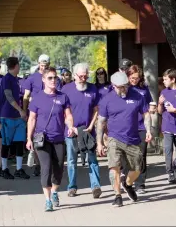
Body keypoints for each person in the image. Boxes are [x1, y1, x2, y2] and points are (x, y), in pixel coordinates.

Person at [97, 71, 152, 207]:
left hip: (133, 138)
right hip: (114, 137)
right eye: (120, 87)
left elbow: (146, 115)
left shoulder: (137, 96)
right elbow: (101, 122)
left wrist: (149, 130)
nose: (124, 89)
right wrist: (99, 142)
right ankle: (117, 195)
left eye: (125, 86)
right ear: (113, 85)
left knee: (138, 168)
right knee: (114, 167)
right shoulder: (106, 100)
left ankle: (127, 184)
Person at [26, 67, 74, 211]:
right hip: (42, 139)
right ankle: (47, 200)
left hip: (58, 138)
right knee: (46, 169)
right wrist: (29, 138)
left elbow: (68, 116)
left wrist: (70, 126)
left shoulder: (63, 97)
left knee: (58, 169)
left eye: (55, 78)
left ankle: (54, 191)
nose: (53, 80)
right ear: (44, 80)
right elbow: (32, 119)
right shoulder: (37, 98)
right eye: (50, 78)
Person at [61, 63, 102, 198]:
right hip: (71, 131)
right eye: (81, 76)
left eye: (86, 76)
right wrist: (70, 127)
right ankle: (72, 187)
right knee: (72, 160)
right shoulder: (66, 89)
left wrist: (91, 126)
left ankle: (95, 186)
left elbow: (96, 110)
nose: (84, 78)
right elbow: (63, 112)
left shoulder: (93, 89)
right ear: (74, 76)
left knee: (92, 159)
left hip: (88, 130)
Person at [22, 54, 62, 177]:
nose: (44, 66)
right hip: (36, 111)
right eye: (42, 64)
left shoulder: (55, 77)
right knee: (37, 138)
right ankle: (39, 164)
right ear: (38, 63)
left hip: (52, 111)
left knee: (49, 139)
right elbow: (26, 96)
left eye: (46, 64)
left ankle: (45, 165)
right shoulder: (32, 78)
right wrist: (25, 112)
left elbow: (60, 94)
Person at [120, 65, 153, 194]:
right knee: (126, 155)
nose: (134, 80)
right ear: (127, 77)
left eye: (137, 78)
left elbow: (149, 104)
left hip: (141, 126)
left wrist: (152, 111)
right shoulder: (124, 89)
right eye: (132, 78)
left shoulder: (144, 89)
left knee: (141, 155)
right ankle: (126, 179)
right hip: (127, 126)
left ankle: (140, 184)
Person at [0, 57, 30, 179]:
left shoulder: (17, 79)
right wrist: (20, 110)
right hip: (7, 115)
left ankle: (19, 169)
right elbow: (8, 96)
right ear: (16, 65)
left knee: (19, 143)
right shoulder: (7, 79)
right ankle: (4, 169)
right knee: (6, 144)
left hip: (18, 117)